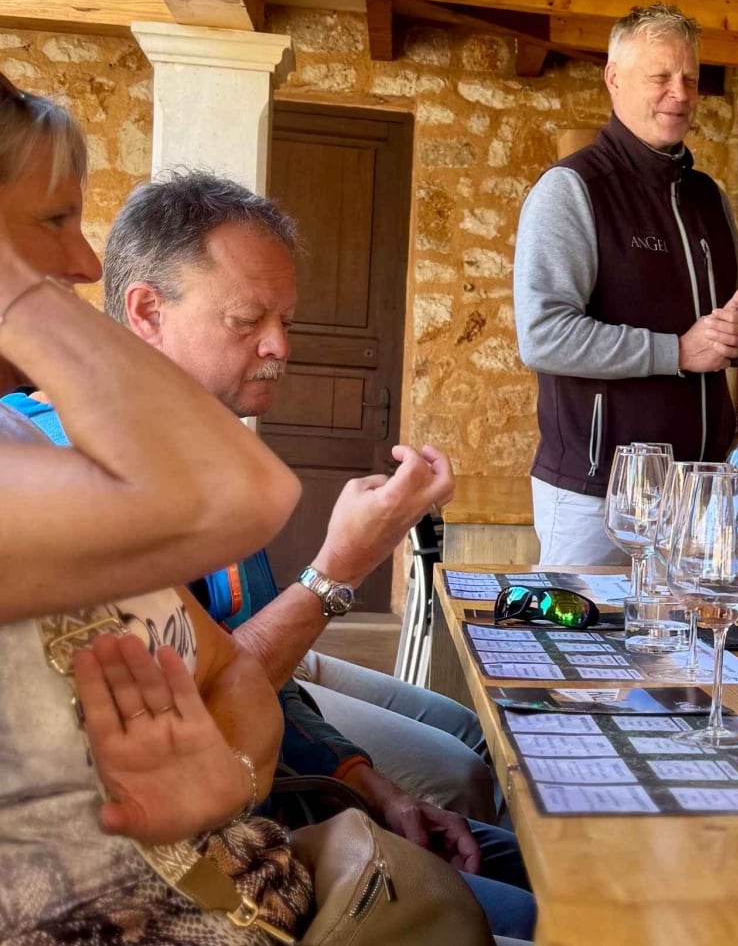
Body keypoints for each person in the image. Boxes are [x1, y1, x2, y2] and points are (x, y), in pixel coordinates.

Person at [7, 170, 534, 938]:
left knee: (516, 858)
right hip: (213, 881)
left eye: (285, 317)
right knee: (538, 906)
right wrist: (338, 571)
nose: (280, 346)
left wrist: (367, 785)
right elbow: (202, 713)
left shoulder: (204, 451)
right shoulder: (67, 483)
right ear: (147, 311)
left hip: (274, 824)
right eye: (248, 318)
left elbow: (265, 682)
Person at [0, 72, 309, 943]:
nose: (84, 264)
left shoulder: (18, 447)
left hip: (229, 889)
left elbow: (230, 671)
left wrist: (230, 788)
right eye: (54, 220)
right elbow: (240, 491)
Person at [514, 3, 738, 565]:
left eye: (690, 78)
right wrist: (675, 351)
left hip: (701, 496)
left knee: (685, 653)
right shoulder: (572, 189)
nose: (679, 93)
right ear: (614, 78)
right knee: (581, 654)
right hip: (595, 495)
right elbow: (543, 336)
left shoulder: (710, 199)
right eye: (660, 77)